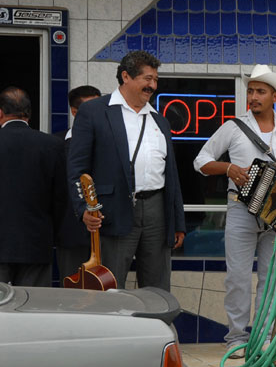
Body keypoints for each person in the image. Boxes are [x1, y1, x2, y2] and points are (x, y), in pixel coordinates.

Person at [193, 64, 276, 358]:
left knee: (272, 278)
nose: (253, 96)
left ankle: (264, 337)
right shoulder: (233, 128)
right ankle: (236, 338)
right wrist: (228, 168)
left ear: (274, 96)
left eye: (260, 91)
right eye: (251, 91)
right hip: (240, 210)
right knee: (238, 278)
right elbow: (201, 160)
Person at [67, 51, 185, 291]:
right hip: (114, 210)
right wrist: (83, 209)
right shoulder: (95, 111)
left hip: (157, 210)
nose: (152, 85)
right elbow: (77, 167)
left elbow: (170, 175)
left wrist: (178, 221)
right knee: (111, 285)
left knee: (157, 286)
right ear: (125, 77)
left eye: (155, 80)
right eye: (147, 78)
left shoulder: (159, 119)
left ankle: (156, 329)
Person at [0, 87, 67, 286]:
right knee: (31, 308)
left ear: (1, 113)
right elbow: (61, 198)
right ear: (28, 114)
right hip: (36, 242)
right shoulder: (52, 145)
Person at [55, 85, 101, 280]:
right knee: (71, 294)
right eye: (92, 108)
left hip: (106, 233)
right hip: (69, 232)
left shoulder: (114, 141)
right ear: (75, 112)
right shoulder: (54, 144)